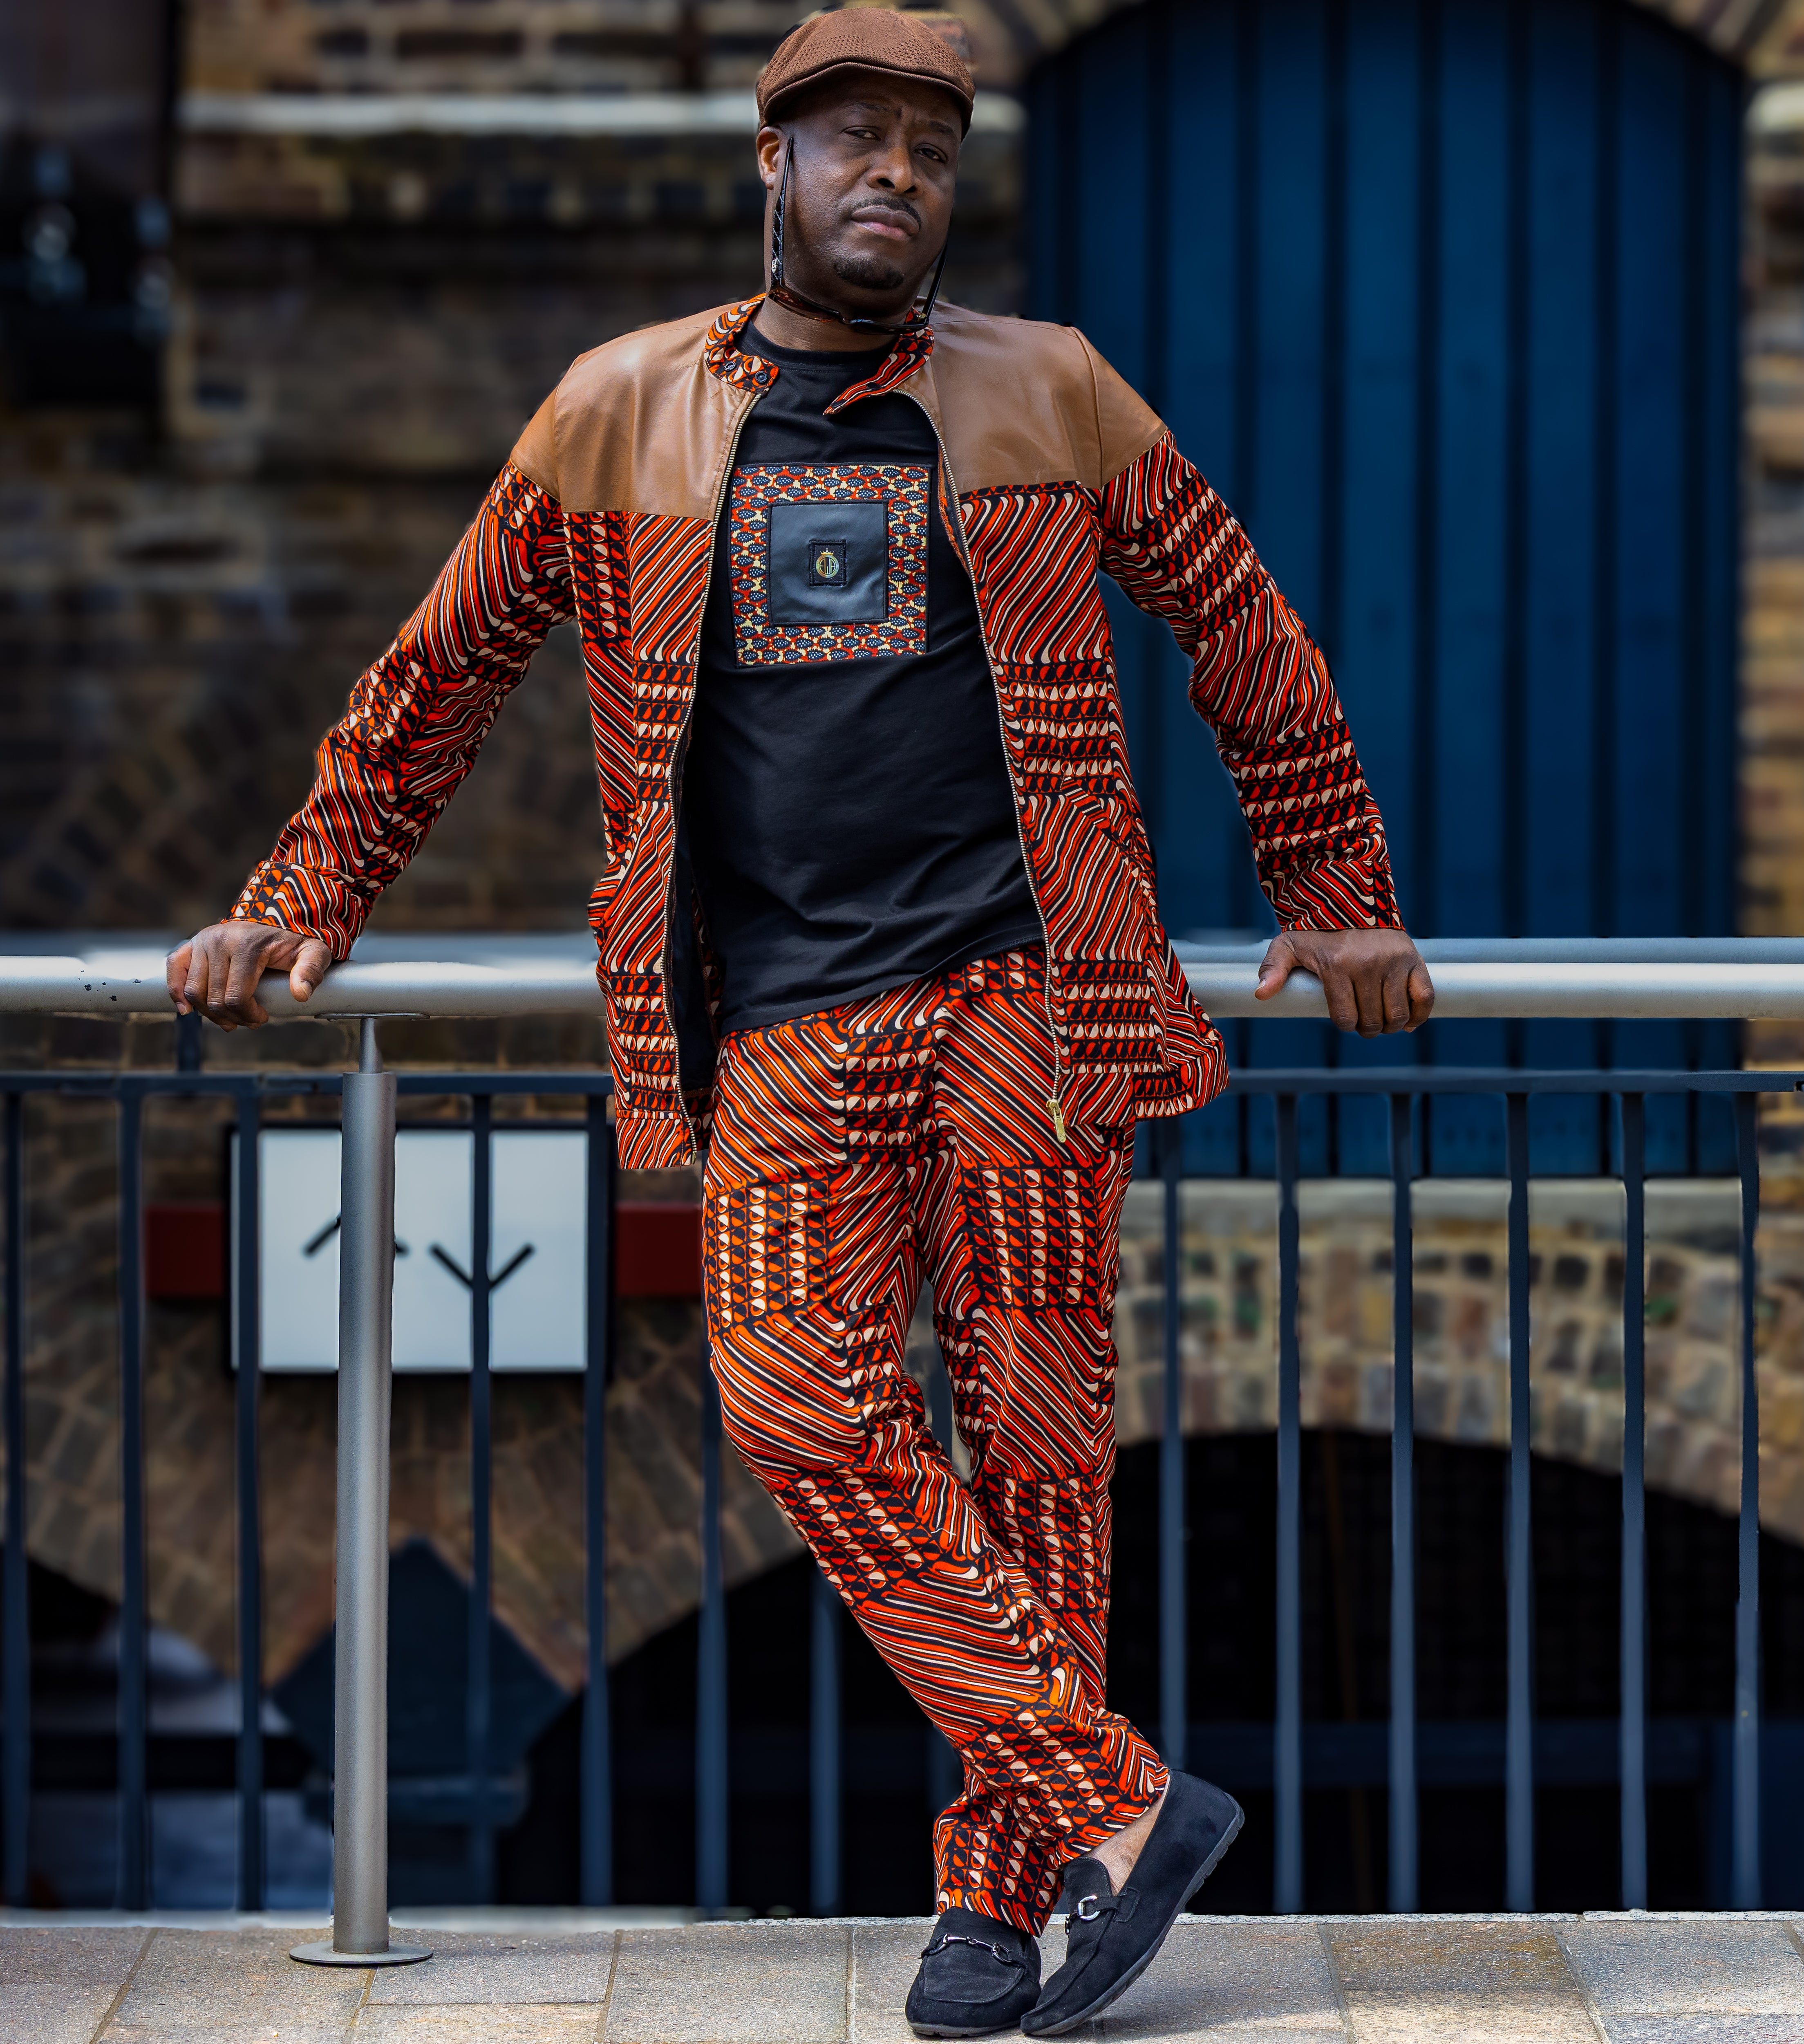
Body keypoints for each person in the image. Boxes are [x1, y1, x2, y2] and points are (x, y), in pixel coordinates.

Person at [169, 9, 1434, 2033]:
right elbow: (436, 682)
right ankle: (1117, 1795)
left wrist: (1338, 899)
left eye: (930, 150)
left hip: (1027, 991)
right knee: (794, 1404)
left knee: (1031, 1457)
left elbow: (1248, 639)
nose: (895, 179)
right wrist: (302, 895)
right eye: (856, 141)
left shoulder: (1053, 391)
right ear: (774, 164)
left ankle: (997, 1907)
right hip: (776, 1020)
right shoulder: (616, 412)